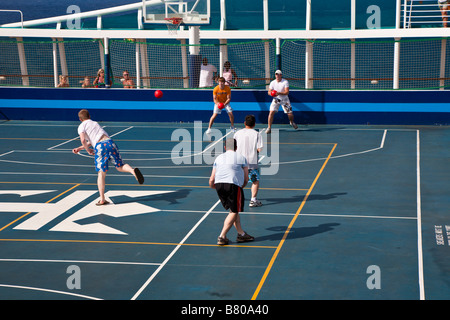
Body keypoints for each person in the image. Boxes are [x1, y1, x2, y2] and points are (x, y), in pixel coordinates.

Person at [72, 109, 144, 205]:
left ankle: (102, 199)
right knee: (120, 166)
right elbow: (92, 140)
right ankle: (132, 171)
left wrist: (88, 150)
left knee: (101, 173)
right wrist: (80, 148)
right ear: (89, 116)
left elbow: (83, 140)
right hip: (110, 143)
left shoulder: (81, 126)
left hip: (100, 147)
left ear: (80, 119)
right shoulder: (95, 123)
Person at [209, 138, 254, 245]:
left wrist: (214, 186)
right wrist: (241, 187)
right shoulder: (241, 157)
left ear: (225, 147)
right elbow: (246, 178)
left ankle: (241, 234)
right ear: (236, 147)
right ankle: (222, 236)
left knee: (234, 210)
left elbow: (212, 179)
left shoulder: (218, 158)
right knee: (234, 211)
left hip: (219, 185)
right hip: (233, 185)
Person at [234, 114, 263, 207]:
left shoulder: (237, 133)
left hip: (238, 162)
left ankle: (235, 197)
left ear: (244, 123)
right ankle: (253, 200)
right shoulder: (257, 134)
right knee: (255, 181)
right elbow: (259, 149)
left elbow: (233, 147)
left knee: (237, 180)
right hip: (252, 163)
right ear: (254, 124)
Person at [266, 70, 298, 134]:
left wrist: (279, 93)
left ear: (281, 75)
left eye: (279, 74)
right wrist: (272, 94)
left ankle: (291, 122)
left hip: (284, 100)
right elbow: (269, 92)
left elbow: (287, 92)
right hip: (276, 99)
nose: (277, 76)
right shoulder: (272, 82)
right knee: (271, 112)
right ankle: (269, 128)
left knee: (290, 114)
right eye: (276, 74)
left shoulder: (285, 82)